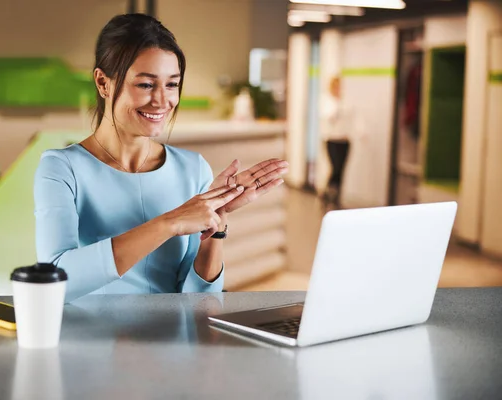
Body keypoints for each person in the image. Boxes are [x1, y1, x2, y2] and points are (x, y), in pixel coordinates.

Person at [34, 14, 288, 303]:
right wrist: (169, 223)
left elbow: (199, 300)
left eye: (172, 85)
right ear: (103, 83)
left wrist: (217, 224)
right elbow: (54, 279)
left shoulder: (193, 169)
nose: (162, 100)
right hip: (90, 342)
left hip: (172, 342)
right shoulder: (61, 168)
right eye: (145, 85)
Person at [319, 76, 363, 209]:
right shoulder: (327, 101)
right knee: (335, 168)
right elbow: (329, 117)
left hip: (345, 140)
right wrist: (337, 104)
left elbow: (355, 118)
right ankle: (327, 192)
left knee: (342, 169)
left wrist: (361, 132)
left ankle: (336, 197)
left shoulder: (347, 101)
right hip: (331, 140)